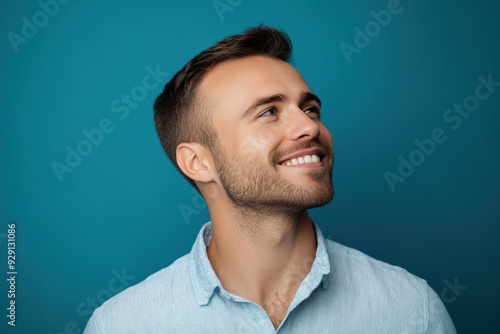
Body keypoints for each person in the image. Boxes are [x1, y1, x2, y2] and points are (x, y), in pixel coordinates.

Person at [83, 25, 456, 333]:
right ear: (198, 162)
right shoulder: (122, 324)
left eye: (309, 108)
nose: (310, 126)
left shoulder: (411, 309)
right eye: (268, 112)